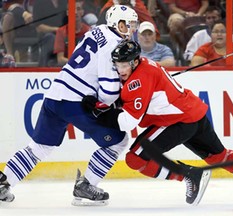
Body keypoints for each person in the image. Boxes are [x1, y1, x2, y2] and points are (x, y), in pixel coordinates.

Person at [84, 40, 233, 205]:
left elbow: (128, 122)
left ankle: (189, 175)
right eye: (118, 65)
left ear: (135, 62)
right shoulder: (146, 65)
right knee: (219, 156)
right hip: (194, 113)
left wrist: (99, 113)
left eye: (124, 65)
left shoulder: (138, 81)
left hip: (178, 121)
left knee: (135, 159)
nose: (120, 70)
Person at [0, 5, 138, 206]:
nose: (132, 29)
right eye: (130, 24)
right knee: (118, 141)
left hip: (55, 94)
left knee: (40, 146)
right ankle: (86, 185)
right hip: (77, 102)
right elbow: (108, 94)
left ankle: (4, 181)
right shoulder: (114, 45)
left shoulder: (97, 30)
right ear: (118, 24)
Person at [53, 0, 90, 66]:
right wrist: (77, 62)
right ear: (67, 12)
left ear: (82, 12)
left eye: (78, 9)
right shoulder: (61, 31)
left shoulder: (89, 31)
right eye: (72, 9)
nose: (75, 12)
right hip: (67, 69)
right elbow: (60, 59)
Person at [32, 0, 68, 66]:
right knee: (50, 38)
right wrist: (57, 30)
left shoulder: (65, 2)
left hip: (64, 34)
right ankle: (44, 67)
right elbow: (38, 27)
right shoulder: (39, 2)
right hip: (46, 35)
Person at [1, 0, 36, 65]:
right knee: (8, 17)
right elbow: (12, 7)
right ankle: (10, 54)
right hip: (24, 25)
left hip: (40, 24)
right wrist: (24, 13)